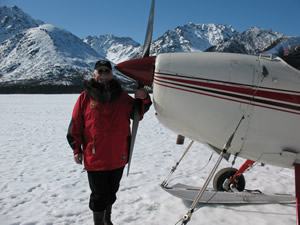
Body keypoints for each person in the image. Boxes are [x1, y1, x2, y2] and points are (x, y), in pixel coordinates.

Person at [67, 60, 152, 225]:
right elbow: (75, 125)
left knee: (111, 193)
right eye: (101, 71)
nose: (104, 75)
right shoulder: (85, 98)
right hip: (95, 157)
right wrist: (76, 149)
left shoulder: (121, 97)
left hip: (117, 156)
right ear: (94, 74)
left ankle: (107, 220)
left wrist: (144, 98)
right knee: (98, 195)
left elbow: (137, 113)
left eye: (107, 71)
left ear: (112, 74)